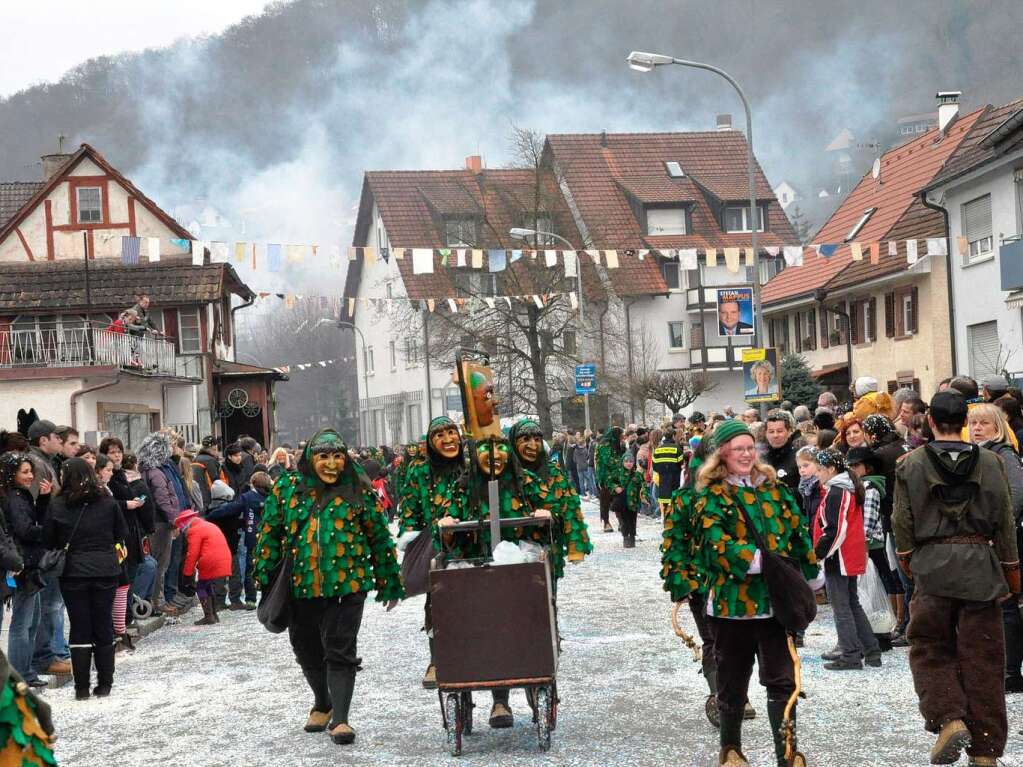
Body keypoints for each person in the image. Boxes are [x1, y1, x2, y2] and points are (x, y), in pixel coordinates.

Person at [665, 420, 819, 766]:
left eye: (750, 447)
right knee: (732, 684)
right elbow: (715, 544)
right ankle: (731, 749)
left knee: (782, 681)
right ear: (722, 453)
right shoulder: (709, 494)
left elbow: (797, 531)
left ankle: (788, 754)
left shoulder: (773, 488)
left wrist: (809, 573)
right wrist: (759, 560)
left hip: (774, 606)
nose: (747, 454)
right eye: (739, 448)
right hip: (729, 607)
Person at [253, 429, 403, 746]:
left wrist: (389, 582)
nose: (331, 463)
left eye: (337, 456)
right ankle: (322, 702)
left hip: (348, 585)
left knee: (340, 649)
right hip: (300, 587)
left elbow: (379, 539)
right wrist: (265, 577)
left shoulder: (358, 491)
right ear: (310, 459)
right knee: (307, 648)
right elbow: (269, 534)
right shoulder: (287, 489)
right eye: (324, 456)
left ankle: (342, 719)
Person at [893, 391, 1020, 766]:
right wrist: (1012, 572)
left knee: (930, 647)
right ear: (964, 423)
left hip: (932, 566)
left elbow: (902, 522)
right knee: (984, 659)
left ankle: (948, 718)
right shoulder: (993, 463)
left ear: (930, 421)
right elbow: (1005, 522)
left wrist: (910, 564)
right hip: (981, 568)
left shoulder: (910, 463)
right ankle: (985, 751)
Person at [44, 458, 128, 700]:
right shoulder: (108, 502)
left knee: (79, 626)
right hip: (105, 569)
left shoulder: (58, 505)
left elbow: (49, 540)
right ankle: (105, 683)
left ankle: (81, 687)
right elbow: (120, 534)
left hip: (73, 573)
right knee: (103, 624)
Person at [966, 403, 1023, 692]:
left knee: (1007, 604)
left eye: (984, 424)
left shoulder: (1003, 454)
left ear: (997, 427)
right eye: (973, 423)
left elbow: (1016, 494)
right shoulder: (976, 455)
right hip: (985, 540)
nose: (977, 429)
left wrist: (997, 529)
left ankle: (1012, 671)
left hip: (1003, 541)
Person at [809, 448, 881, 671]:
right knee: (851, 603)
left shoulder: (837, 491)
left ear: (831, 469)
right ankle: (871, 650)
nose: (817, 474)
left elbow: (836, 529)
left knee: (842, 607)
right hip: (846, 554)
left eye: (820, 470)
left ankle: (851, 654)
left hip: (839, 556)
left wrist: (819, 554)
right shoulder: (844, 489)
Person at [1, 453, 56, 688]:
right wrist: (47, 531)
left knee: (31, 621)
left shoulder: (22, 495)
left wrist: (43, 500)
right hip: (21, 565)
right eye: (25, 472)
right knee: (22, 624)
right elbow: (24, 530)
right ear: (11, 474)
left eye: (30, 471)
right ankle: (20, 675)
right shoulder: (13, 498)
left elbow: (32, 523)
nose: (30, 476)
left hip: (28, 562)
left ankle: (26, 671)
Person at [507, 419, 592, 572]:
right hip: (511, 551)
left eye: (537, 439)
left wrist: (576, 546)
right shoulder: (506, 474)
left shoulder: (553, 471)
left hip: (548, 548)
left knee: (545, 592)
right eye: (525, 439)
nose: (533, 445)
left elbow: (570, 507)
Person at [137, 431, 187, 617]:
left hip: (153, 521)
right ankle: (156, 601)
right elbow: (164, 498)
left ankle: (152, 600)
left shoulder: (144, 470)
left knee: (154, 563)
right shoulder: (157, 472)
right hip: (161, 523)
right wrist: (175, 519)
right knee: (161, 564)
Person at [176, 508, 232, 625]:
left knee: (201, 587)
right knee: (207, 585)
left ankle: (209, 616)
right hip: (223, 557)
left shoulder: (194, 531)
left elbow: (192, 554)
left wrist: (187, 574)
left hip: (211, 560)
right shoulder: (207, 525)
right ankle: (213, 614)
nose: (184, 533)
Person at [762, 412, 801, 493]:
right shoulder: (760, 458)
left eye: (779, 431)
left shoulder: (799, 457)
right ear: (766, 433)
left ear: (789, 431)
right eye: (771, 432)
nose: (775, 435)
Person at [610, 453, 643, 548]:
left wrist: (644, 496)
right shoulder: (617, 474)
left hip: (633, 501)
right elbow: (610, 482)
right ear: (622, 462)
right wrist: (615, 487)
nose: (629, 463)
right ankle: (625, 537)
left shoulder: (637, 475)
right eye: (626, 461)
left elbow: (643, 486)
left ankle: (632, 537)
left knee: (633, 519)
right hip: (622, 502)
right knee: (624, 520)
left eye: (631, 461)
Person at [652, 429, 686, 519]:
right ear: (673, 436)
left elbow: (654, 466)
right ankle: (674, 520)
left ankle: (666, 521)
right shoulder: (677, 448)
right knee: (674, 500)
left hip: (663, 478)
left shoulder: (658, 449)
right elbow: (681, 464)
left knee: (665, 502)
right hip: (675, 478)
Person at [595, 427, 623, 533]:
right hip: (605, 476)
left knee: (619, 499)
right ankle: (606, 522)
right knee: (605, 500)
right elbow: (607, 461)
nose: (622, 438)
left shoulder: (617, 444)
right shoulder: (604, 445)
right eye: (621, 435)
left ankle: (621, 520)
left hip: (617, 476)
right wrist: (620, 463)